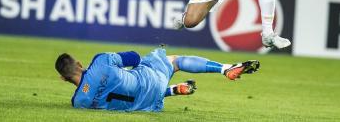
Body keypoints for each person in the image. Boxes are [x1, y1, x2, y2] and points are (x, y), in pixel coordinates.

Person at [55, 48, 260, 112]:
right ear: (79, 64)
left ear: (63, 79)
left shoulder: (78, 103)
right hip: (149, 81)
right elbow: (134, 57)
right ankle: (225, 68)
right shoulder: (100, 62)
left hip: (143, 105)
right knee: (175, 61)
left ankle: (171, 91)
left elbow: (93, 90)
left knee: (122, 95)